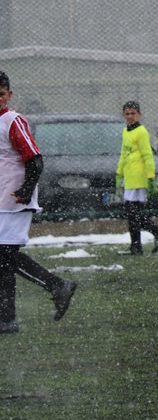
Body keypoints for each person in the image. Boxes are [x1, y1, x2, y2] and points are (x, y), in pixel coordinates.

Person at [0, 71, 77, 333]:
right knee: (3, 259)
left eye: (1, 94)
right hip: (1, 199)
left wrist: (25, 188)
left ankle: (53, 288)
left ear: (9, 95)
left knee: (4, 256)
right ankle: (9, 317)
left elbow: (35, 160)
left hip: (14, 199)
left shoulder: (13, 121)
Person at [115, 100, 158, 255]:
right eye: (127, 114)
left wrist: (151, 177)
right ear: (123, 115)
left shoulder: (142, 132)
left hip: (139, 177)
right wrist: (119, 174)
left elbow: (147, 155)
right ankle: (137, 246)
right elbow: (124, 154)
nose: (130, 116)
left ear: (139, 114)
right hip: (130, 177)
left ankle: (156, 233)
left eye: (133, 113)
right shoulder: (126, 131)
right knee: (132, 214)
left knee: (132, 213)